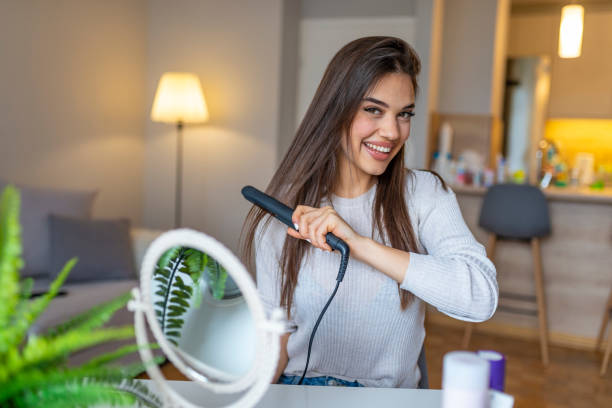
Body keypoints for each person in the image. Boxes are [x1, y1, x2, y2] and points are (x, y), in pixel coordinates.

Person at [241, 36, 498, 389]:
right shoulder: (284, 215)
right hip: (299, 393)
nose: (392, 132)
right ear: (336, 110)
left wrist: (360, 245)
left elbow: (481, 297)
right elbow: (276, 340)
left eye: (404, 114)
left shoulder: (424, 195)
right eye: (373, 110)